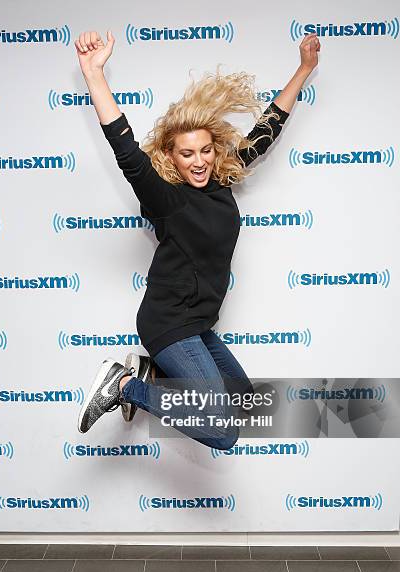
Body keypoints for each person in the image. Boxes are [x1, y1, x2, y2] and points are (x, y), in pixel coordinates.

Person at [75, 29, 320, 449]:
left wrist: (304, 68)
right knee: (224, 432)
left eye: (205, 151)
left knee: (244, 403)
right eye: (187, 154)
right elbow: (126, 151)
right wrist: (94, 74)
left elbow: (267, 128)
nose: (199, 161)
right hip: (169, 325)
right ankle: (125, 386)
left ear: (214, 149)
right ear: (171, 156)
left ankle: (155, 375)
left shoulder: (222, 181)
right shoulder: (167, 199)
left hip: (199, 325)